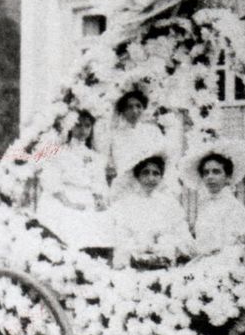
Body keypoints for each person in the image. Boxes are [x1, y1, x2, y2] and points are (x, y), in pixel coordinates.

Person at [35, 109, 112, 249]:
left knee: (104, 218)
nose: (83, 130)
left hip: (87, 196)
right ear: (70, 126)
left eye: (87, 125)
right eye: (78, 125)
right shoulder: (59, 152)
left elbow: (98, 181)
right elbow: (52, 179)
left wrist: (99, 198)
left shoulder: (94, 156)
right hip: (63, 196)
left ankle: (94, 257)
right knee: (71, 218)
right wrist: (68, 203)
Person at [110, 142, 193, 269]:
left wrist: (165, 246)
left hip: (164, 259)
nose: (151, 178)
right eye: (146, 173)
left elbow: (181, 231)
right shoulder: (126, 203)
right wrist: (139, 249)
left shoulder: (169, 203)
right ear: (137, 176)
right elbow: (121, 235)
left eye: (156, 173)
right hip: (135, 259)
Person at [184, 138, 245, 259]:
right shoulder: (205, 205)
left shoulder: (234, 207)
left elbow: (236, 247)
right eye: (206, 172)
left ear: (227, 177)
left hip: (223, 265)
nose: (210, 177)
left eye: (216, 172)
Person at [107, 89, 166, 186]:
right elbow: (115, 162)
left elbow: (162, 156)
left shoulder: (153, 131)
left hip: (150, 181)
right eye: (129, 107)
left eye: (138, 106)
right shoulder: (115, 135)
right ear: (123, 110)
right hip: (126, 182)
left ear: (143, 108)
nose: (134, 111)